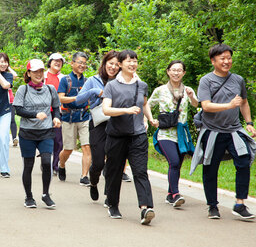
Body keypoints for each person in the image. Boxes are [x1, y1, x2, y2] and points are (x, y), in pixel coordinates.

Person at [190, 43, 256, 219]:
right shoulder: (206, 80)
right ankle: (212, 206)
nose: (227, 61)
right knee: (210, 168)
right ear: (213, 61)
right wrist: (228, 105)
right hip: (212, 131)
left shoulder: (238, 80)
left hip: (234, 130)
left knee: (244, 162)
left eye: (229, 58)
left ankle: (240, 204)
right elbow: (206, 106)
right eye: (222, 58)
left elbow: (243, 102)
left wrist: (248, 122)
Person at [102, 49, 156, 225]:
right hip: (117, 135)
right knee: (114, 172)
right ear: (120, 64)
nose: (132, 64)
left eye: (135, 61)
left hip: (138, 135)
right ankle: (113, 204)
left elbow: (145, 104)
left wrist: (150, 118)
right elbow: (106, 109)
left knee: (140, 171)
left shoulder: (142, 85)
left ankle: (145, 208)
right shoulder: (111, 86)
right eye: (128, 61)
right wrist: (125, 110)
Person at [148, 60, 198, 208]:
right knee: (174, 162)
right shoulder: (160, 90)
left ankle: (170, 195)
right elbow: (148, 105)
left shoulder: (188, 89)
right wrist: (151, 120)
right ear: (168, 71)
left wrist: (191, 96)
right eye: (173, 70)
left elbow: (196, 104)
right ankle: (176, 194)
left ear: (184, 73)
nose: (176, 73)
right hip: (165, 133)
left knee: (178, 164)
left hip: (182, 134)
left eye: (179, 70)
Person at [13, 59, 61, 208]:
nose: (38, 74)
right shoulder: (23, 89)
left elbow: (56, 107)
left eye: (40, 71)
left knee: (47, 162)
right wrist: (35, 114)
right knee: (28, 165)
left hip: (46, 132)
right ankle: (29, 197)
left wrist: (57, 118)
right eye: (35, 71)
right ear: (28, 73)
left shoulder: (50, 89)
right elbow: (18, 110)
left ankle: (45, 194)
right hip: (28, 133)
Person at [76, 50, 120, 201]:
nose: (113, 67)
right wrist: (95, 91)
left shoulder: (122, 81)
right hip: (98, 124)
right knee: (99, 161)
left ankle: (109, 195)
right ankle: (93, 182)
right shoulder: (93, 80)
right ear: (104, 63)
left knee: (113, 162)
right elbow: (78, 100)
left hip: (117, 123)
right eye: (110, 63)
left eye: (116, 64)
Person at [57, 51, 91, 186]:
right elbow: (60, 98)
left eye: (84, 63)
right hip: (68, 118)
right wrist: (76, 98)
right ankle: (62, 164)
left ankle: (84, 176)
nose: (82, 65)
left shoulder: (88, 81)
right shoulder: (65, 80)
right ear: (72, 63)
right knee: (68, 149)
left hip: (84, 117)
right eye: (80, 62)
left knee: (87, 146)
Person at [44, 53, 65, 175]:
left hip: (58, 112)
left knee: (58, 140)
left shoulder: (64, 78)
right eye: (55, 61)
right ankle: (45, 161)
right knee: (45, 138)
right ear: (50, 62)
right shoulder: (43, 75)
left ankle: (55, 165)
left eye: (60, 61)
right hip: (44, 112)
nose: (57, 63)